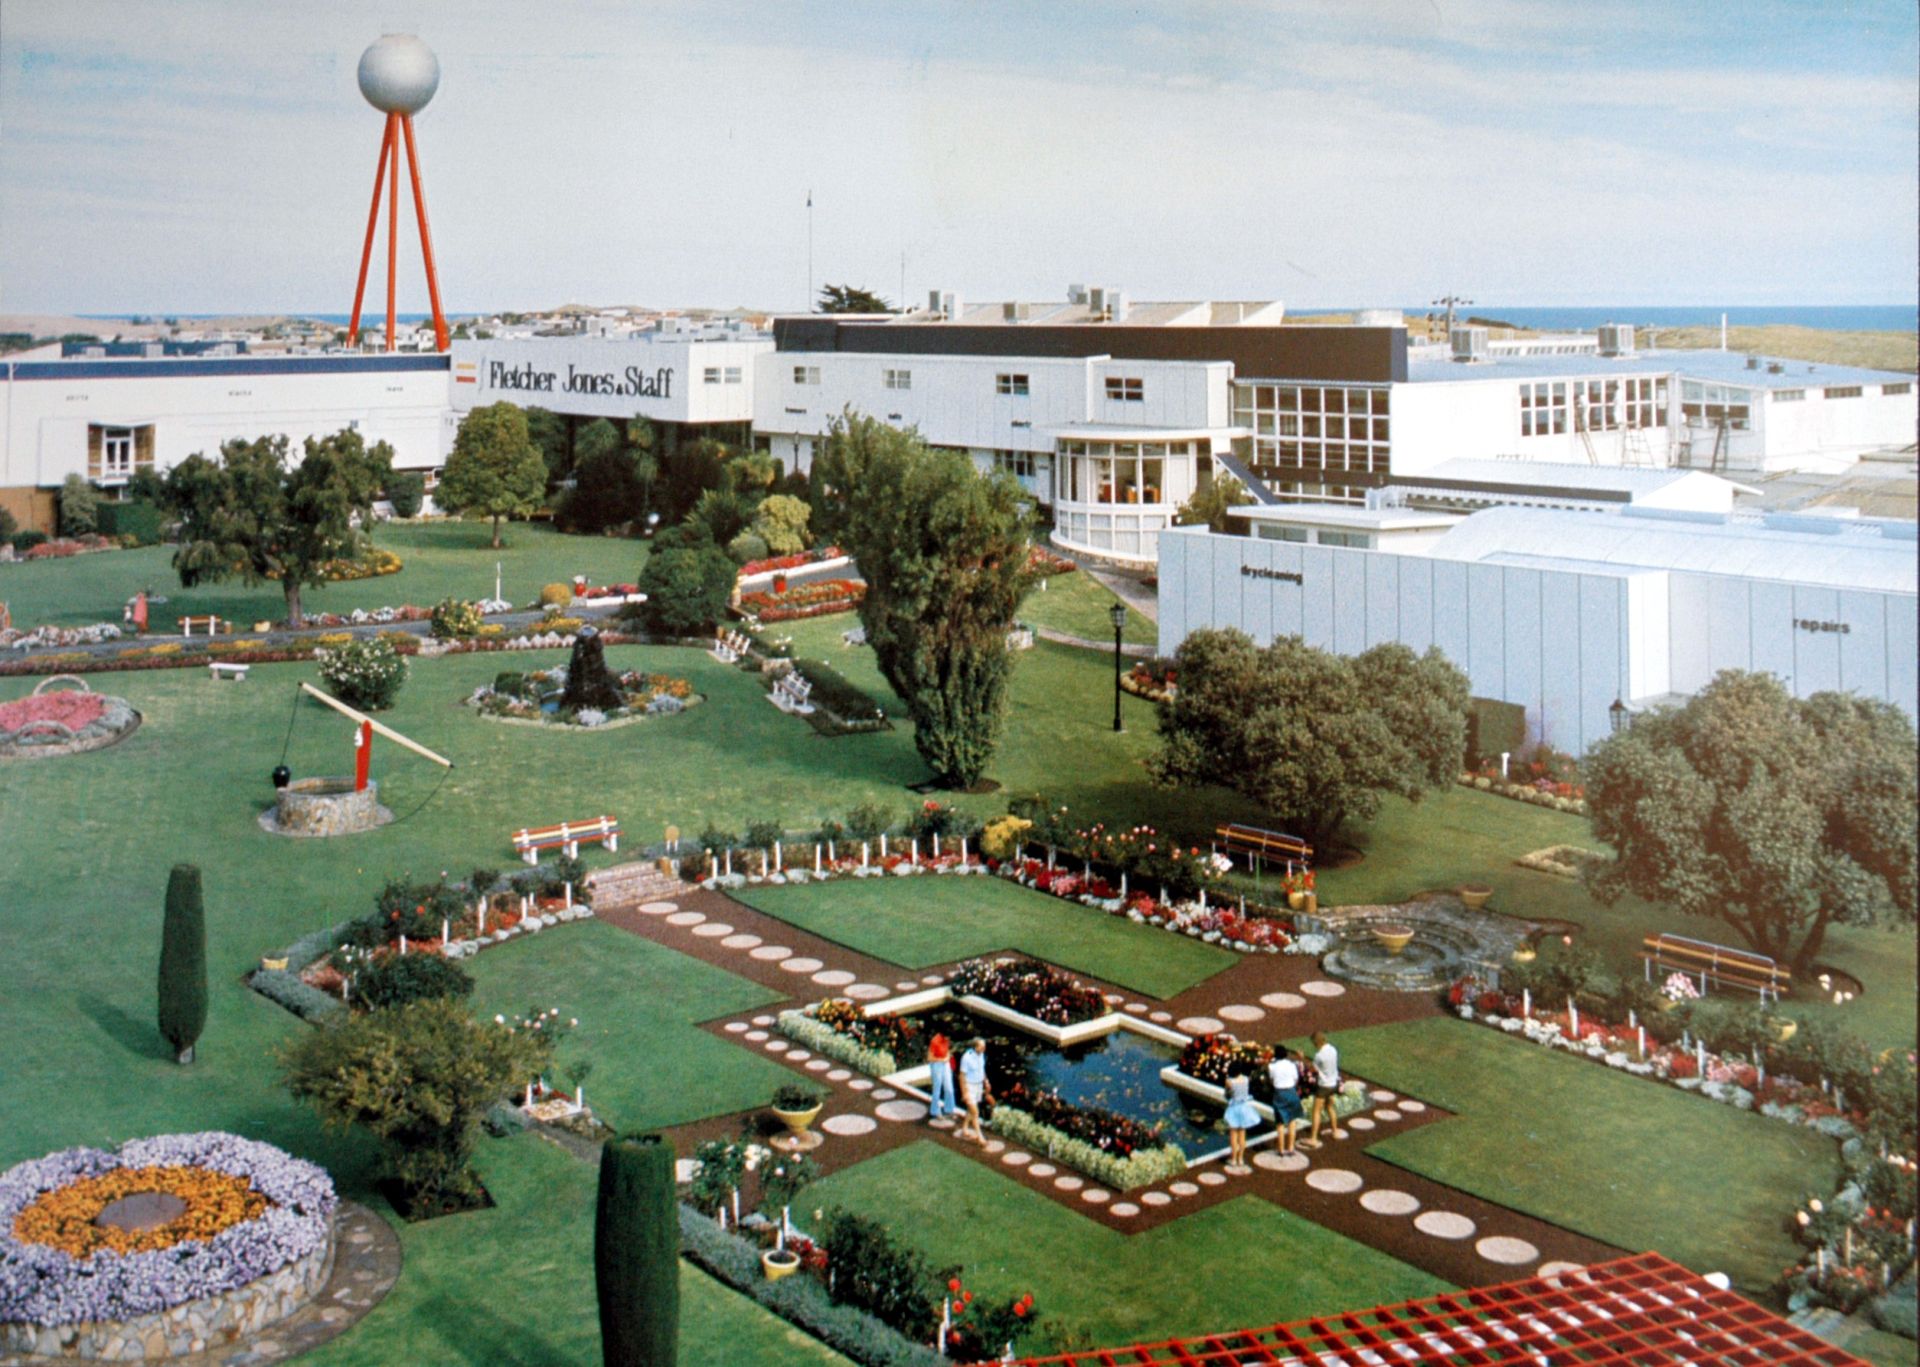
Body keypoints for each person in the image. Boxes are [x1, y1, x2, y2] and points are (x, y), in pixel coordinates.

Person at [1305, 1030, 1346, 1149]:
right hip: (1333, 1083)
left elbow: (1313, 1070)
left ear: (1316, 1042)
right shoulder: (1333, 1049)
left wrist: (1303, 1059)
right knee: (1329, 1107)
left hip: (1323, 1085)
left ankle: (1313, 1138)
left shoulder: (1319, 1056)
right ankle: (1335, 1130)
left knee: (1316, 1111)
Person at [1267, 1046, 1305, 1154]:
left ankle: (1281, 1149)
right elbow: (1296, 1079)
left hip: (1279, 1093)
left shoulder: (1272, 1066)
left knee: (1280, 1123)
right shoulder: (1291, 1065)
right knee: (1292, 1121)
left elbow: (1271, 1080)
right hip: (1291, 1092)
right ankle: (1291, 1147)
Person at [956, 1037, 992, 1143]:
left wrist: (986, 1081)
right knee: (975, 1112)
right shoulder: (966, 1058)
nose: (984, 1048)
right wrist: (965, 1093)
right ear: (976, 1047)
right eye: (982, 1046)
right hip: (969, 1086)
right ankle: (979, 1136)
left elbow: (982, 1069)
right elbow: (962, 1076)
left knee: (971, 1109)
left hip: (978, 1085)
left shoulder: (981, 1056)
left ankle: (965, 1128)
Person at [1221, 1070, 1258, 1173]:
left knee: (1233, 1135)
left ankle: (1233, 1159)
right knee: (1242, 1134)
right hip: (1244, 1108)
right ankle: (1240, 1159)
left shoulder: (1229, 1081)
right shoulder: (1246, 1079)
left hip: (1234, 1108)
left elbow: (1227, 1095)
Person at [925, 1032, 956, 1123]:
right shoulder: (935, 1041)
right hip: (936, 1064)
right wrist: (941, 1060)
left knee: (949, 1088)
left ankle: (949, 1109)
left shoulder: (946, 1040)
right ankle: (935, 1111)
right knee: (937, 1088)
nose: (948, 1040)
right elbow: (929, 1058)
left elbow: (947, 1050)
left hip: (945, 1063)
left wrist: (947, 1057)